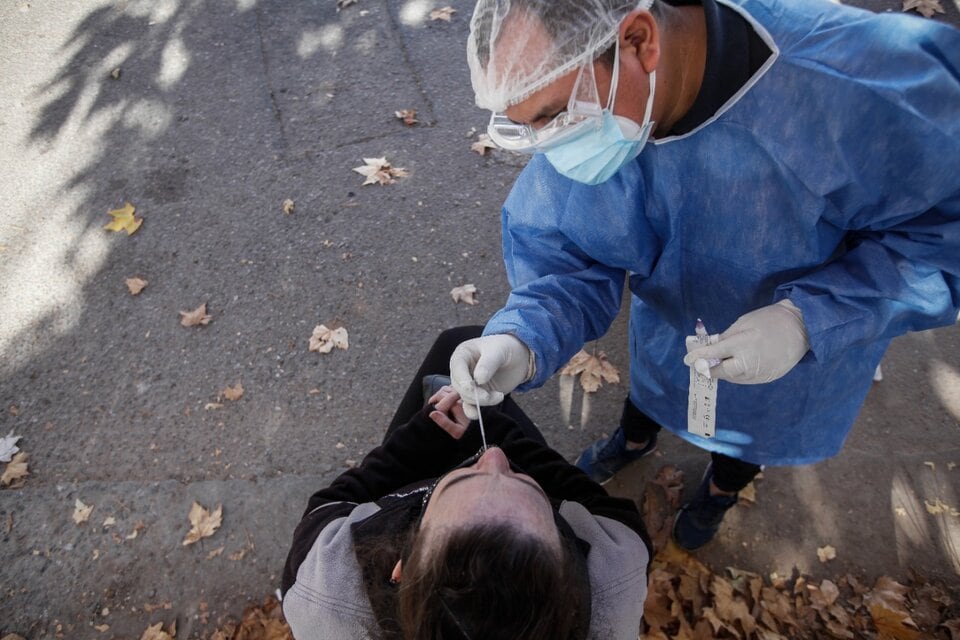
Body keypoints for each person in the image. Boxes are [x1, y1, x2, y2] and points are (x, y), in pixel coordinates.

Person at [450, 0, 960, 552]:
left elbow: (943, 239)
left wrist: (807, 321)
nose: (549, 146)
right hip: (671, 330)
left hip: (794, 360)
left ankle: (720, 488)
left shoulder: (864, 87)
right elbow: (570, 246)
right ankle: (635, 439)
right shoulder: (612, 104)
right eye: (527, 126)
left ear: (640, 40)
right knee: (653, 392)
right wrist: (523, 335)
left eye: (553, 115)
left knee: (747, 436)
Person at [281, 327, 651, 640]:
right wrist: (499, 430)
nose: (493, 457)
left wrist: (422, 436)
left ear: (401, 569)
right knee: (465, 343)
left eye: (460, 480)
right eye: (525, 483)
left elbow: (327, 507)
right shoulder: (612, 582)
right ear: (572, 571)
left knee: (455, 344)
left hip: (417, 457)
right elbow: (611, 515)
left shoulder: (327, 584)